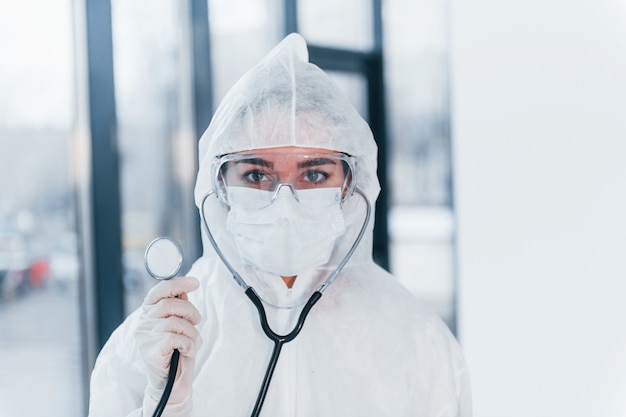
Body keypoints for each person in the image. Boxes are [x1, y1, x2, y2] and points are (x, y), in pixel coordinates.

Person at [88, 33, 471, 417]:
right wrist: (165, 402)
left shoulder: (415, 337)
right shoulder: (154, 344)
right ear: (219, 186)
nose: (284, 203)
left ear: (353, 188)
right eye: (256, 176)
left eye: (315, 176)